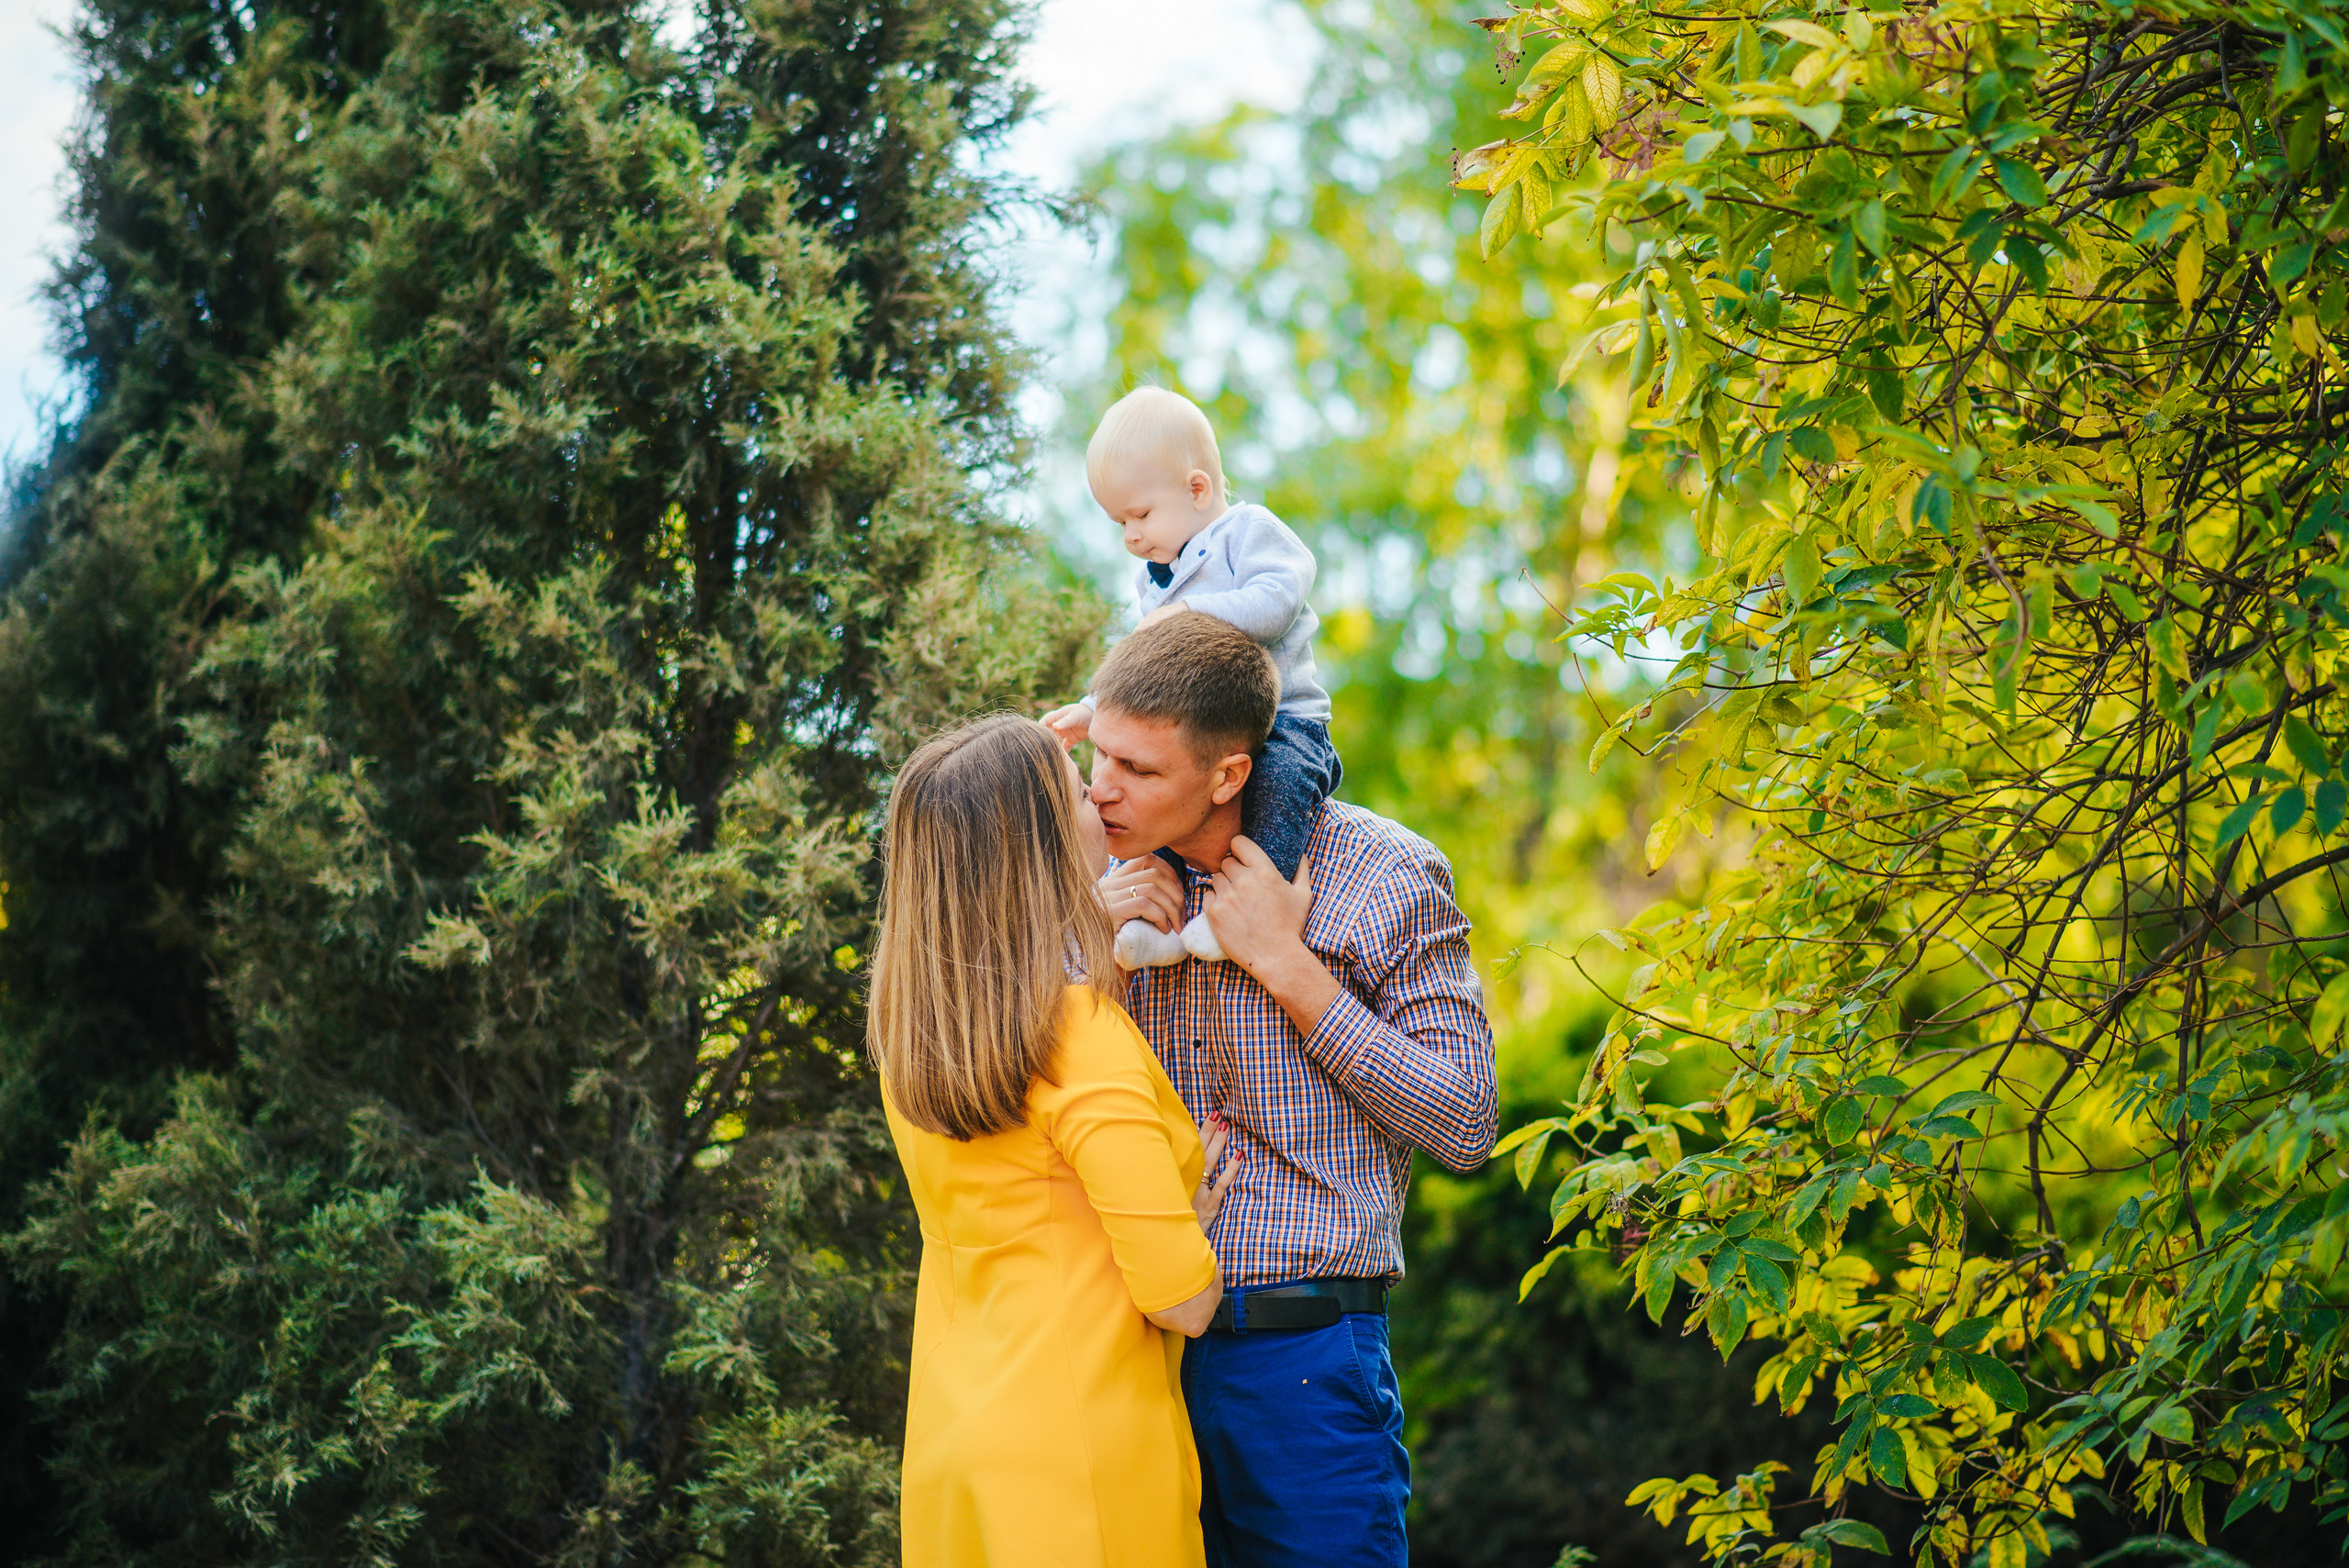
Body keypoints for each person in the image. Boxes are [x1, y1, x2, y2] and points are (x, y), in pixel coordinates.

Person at [1079, 613, 1499, 1568]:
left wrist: (1284, 962)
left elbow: (1467, 1121)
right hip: (1128, 1355)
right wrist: (1085, 952)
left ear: (1227, 774)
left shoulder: (1383, 872)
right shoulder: (1094, 876)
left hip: (1303, 1362)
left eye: (1139, 770)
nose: (1103, 789)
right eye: (1100, 754)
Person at [867, 713, 1244, 1568]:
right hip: (1081, 1460)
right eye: (1078, 791)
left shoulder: (910, 1046)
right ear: (1037, 843)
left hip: (952, 1450)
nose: (1099, 797)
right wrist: (1190, 1211)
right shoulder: (1076, 1032)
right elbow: (1182, 1301)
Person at [1041, 386, 1341, 970]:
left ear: (1197, 489)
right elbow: (1145, 670)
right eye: (1119, 522)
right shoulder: (1157, 580)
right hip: (1193, 736)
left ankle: (1251, 911)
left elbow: (1279, 598)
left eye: (1140, 514)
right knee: (1163, 819)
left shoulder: (1246, 532)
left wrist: (1191, 614)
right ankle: (1160, 926)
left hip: (1286, 722)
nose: (1130, 535)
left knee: (1279, 797)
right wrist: (1091, 706)